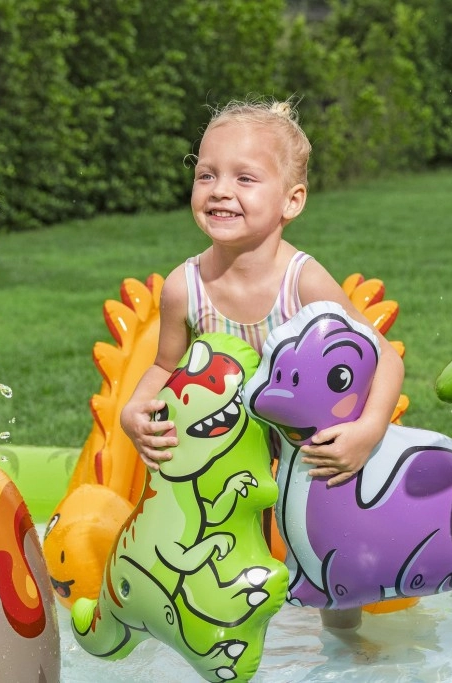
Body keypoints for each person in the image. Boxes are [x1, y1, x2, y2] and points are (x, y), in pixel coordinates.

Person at [120, 97, 405, 630]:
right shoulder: (185, 287)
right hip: (231, 449)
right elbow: (163, 365)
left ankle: (343, 646)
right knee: (220, 561)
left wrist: (368, 431)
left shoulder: (303, 282)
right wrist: (133, 408)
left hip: (308, 450)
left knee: (326, 558)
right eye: (206, 175)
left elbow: (383, 356)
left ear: (291, 201)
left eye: (244, 178)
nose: (219, 190)